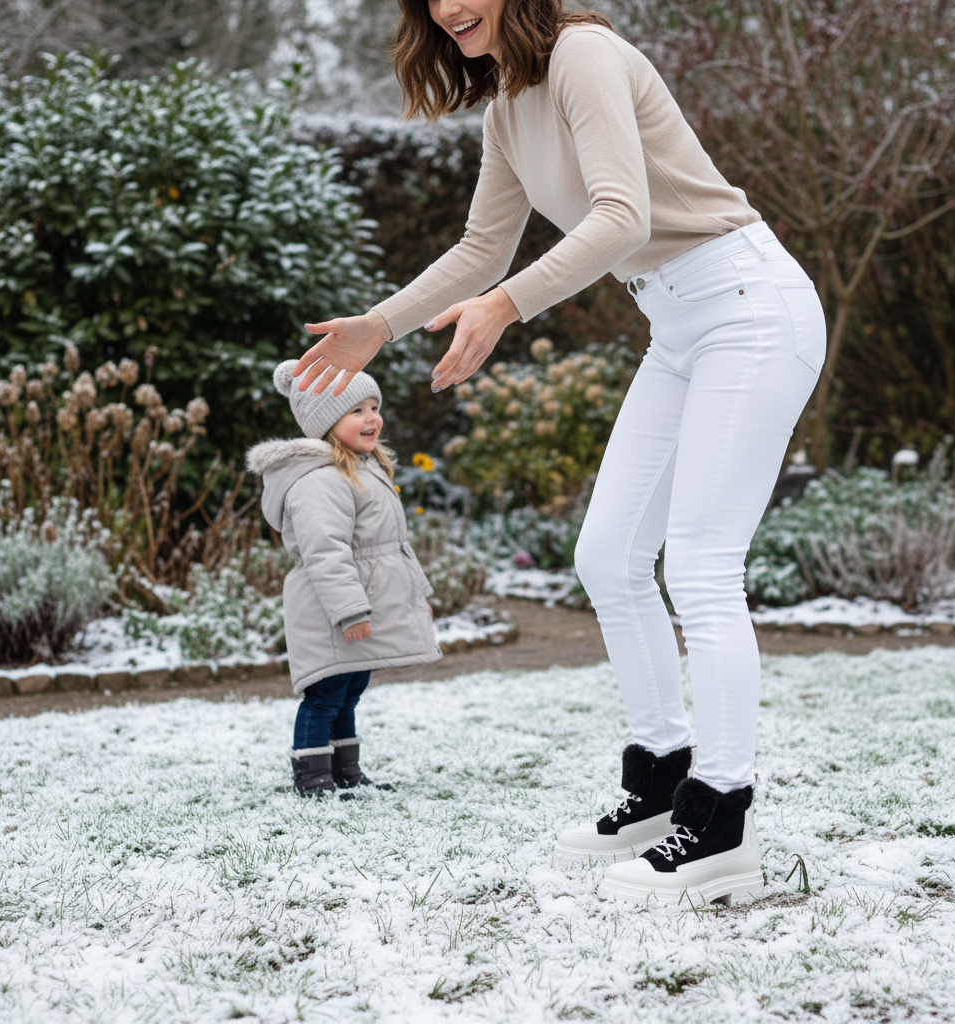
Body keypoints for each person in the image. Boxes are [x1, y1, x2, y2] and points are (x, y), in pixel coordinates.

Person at [290, 0, 826, 902]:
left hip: (749, 306)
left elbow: (623, 215)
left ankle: (722, 819)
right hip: (679, 323)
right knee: (609, 557)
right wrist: (378, 328)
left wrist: (506, 308)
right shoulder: (507, 104)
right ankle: (662, 785)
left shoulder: (585, 52)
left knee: (699, 566)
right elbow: (479, 249)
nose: (450, 8)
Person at [246, 361, 442, 797]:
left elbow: (394, 547)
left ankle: (346, 773)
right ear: (326, 423)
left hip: (359, 605)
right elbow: (325, 551)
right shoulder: (320, 481)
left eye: (374, 407)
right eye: (357, 411)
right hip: (330, 610)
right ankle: (313, 779)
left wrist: (417, 596)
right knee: (325, 695)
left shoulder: (361, 468)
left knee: (350, 688)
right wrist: (349, 609)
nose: (372, 418)